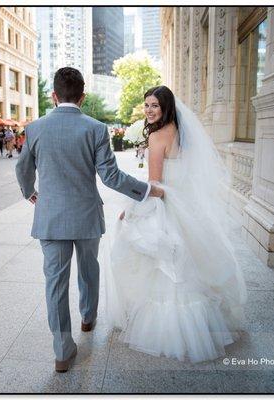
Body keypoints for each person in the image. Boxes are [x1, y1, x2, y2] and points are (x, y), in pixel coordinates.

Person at [15, 67, 164, 373]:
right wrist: (146, 190)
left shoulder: (34, 128)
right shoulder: (96, 128)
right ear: (82, 97)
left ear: (54, 95)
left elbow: (22, 168)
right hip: (86, 215)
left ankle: (62, 351)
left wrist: (30, 191)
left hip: (51, 218)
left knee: (55, 283)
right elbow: (110, 177)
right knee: (89, 269)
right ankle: (88, 317)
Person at [105, 86, 248, 364]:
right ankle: (202, 324)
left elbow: (156, 185)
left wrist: (132, 206)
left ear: (166, 107)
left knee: (167, 269)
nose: (148, 110)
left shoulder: (158, 136)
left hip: (167, 204)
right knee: (191, 262)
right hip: (185, 204)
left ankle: (170, 329)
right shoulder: (182, 132)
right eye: (146, 105)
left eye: (154, 105)